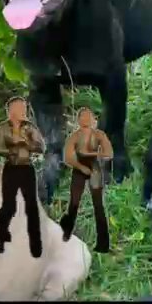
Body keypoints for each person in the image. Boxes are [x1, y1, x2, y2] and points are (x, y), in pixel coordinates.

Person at [0, 96, 45, 257]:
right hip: (11, 167)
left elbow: (41, 147)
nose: (21, 112)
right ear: (10, 111)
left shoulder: (30, 128)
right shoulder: (1, 128)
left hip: (27, 168)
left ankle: (36, 246)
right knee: (9, 205)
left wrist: (25, 142)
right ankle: (1, 237)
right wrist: (15, 147)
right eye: (17, 109)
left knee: (32, 207)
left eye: (23, 109)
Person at [60, 107, 113, 253]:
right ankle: (65, 235)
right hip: (79, 168)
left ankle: (103, 243)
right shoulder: (75, 136)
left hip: (95, 167)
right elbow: (68, 157)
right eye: (82, 117)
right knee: (74, 203)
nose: (85, 120)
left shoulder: (99, 135)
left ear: (94, 120)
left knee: (98, 205)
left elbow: (108, 153)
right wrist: (80, 166)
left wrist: (93, 154)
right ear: (78, 121)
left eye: (88, 117)